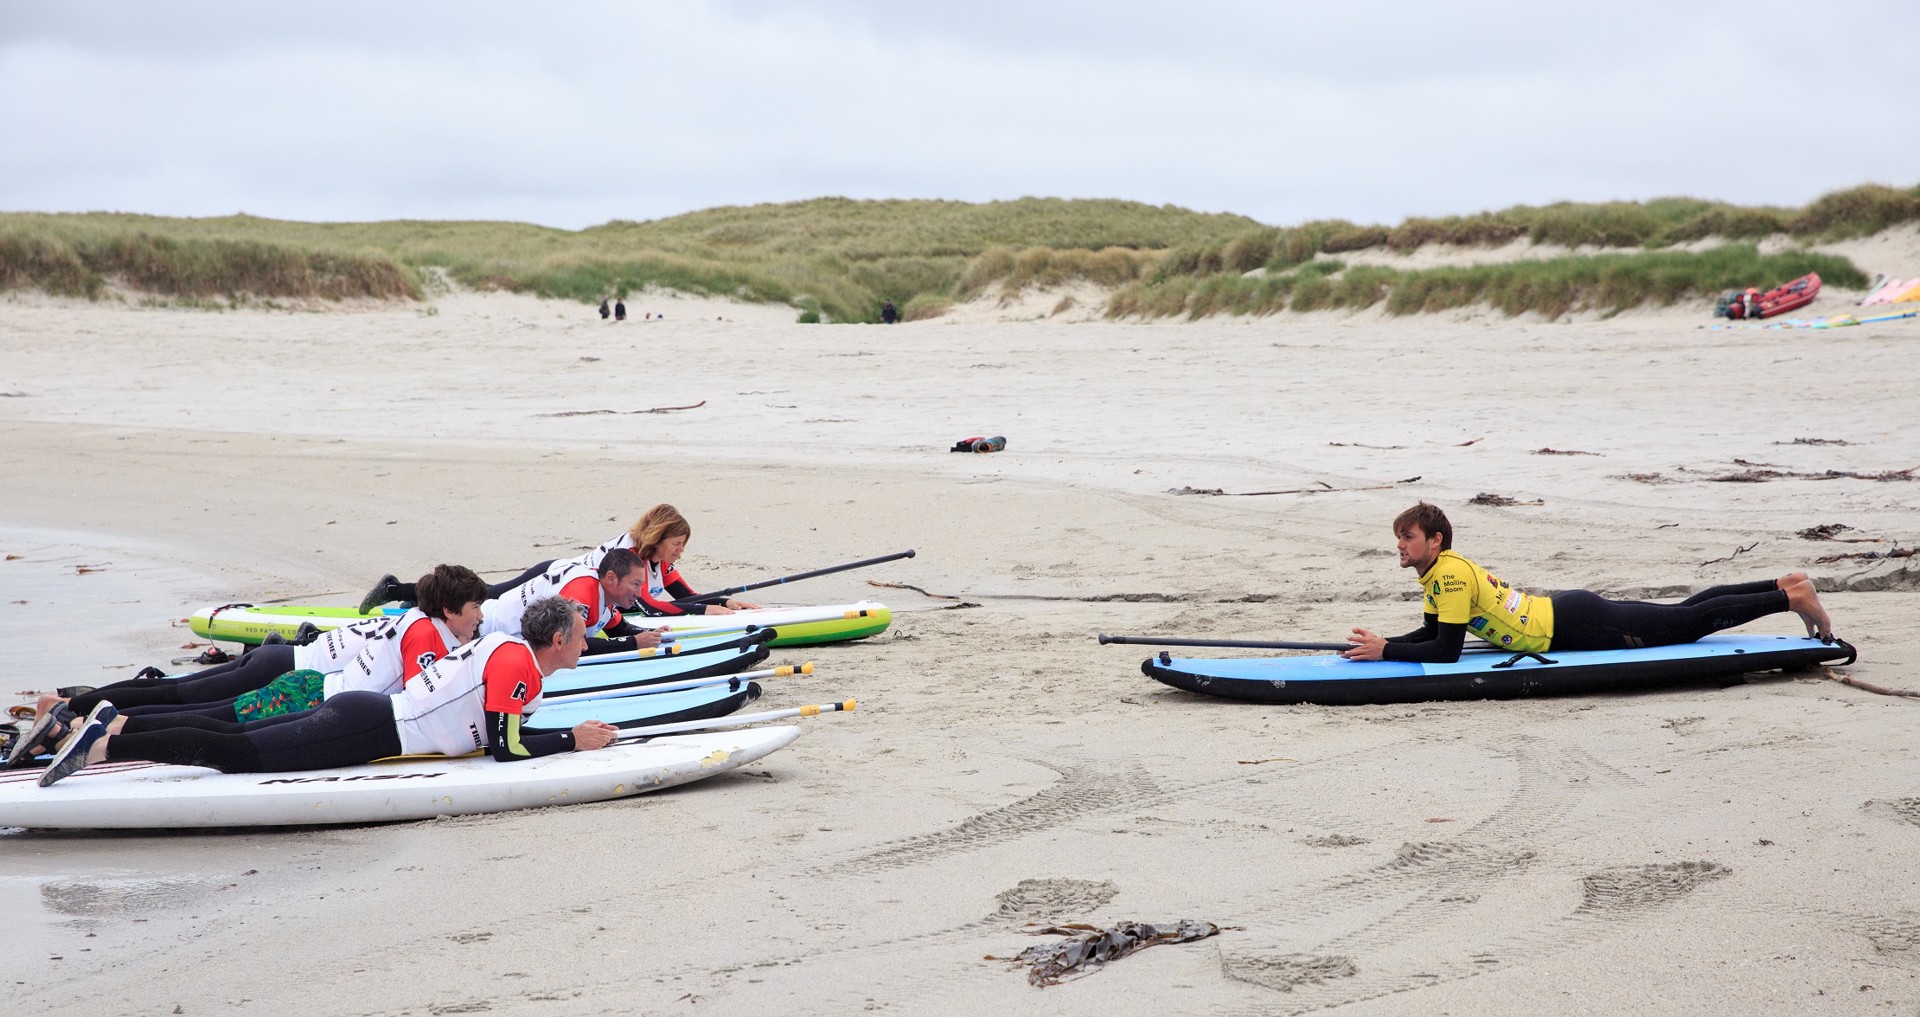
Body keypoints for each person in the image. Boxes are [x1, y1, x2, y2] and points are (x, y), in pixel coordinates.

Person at [38, 597, 618, 788]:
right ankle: (107, 745)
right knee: (234, 752)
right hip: (364, 726)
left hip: (361, 711)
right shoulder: (517, 663)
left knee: (230, 733)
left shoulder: (509, 652)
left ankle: (114, 728)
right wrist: (574, 739)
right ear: (559, 638)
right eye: (582, 635)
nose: (588, 642)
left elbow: (501, 733)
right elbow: (504, 746)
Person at [2, 567, 491, 768]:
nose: (480, 617)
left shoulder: (413, 619)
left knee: (193, 699)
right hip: (308, 690)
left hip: (301, 676)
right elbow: (423, 693)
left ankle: (86, 716)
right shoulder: (428, 637)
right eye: (474, 608)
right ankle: (86, 720)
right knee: (197, 707)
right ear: (450, 610)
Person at [1341, 502, 1834, 664]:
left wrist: (1387, 652)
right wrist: (1383, 645)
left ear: (1435, 540)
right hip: (1567, 613)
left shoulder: (1447, 575)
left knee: (1686, 625)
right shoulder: (1440, 574)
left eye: (1407, 537)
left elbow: (1446, 652)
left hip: (1575, 626)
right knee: (1682, 613)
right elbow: (1431, 636)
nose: (1400, 546)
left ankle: (1790, 597)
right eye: (1399, 539)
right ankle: (1782, 582)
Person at [476, 547, 664, 655]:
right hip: (483, 634)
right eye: (636, 584)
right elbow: (573, 645)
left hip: (498, 628)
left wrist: (651, 634)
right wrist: (633, 642)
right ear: (612, 578)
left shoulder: (601, 591)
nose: (639, 593)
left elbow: (618, 628)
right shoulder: (583, 593)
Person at [625, 503, 760, 617]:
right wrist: (704, 610)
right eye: (676, 543)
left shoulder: (661, 559)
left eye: (683, 543)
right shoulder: (629, 558)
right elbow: (649, 607)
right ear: (656, 539)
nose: (681, 549)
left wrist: (724, 602)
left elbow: (687, 597)